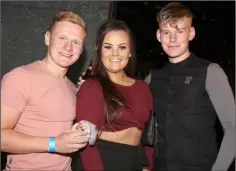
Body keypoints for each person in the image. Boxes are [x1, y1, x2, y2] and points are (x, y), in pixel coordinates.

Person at [145, 2, 235, 171]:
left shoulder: (210, 71)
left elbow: (232, 127)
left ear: (191, 33)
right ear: (158, 35)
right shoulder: (152, 77)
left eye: (179, 31)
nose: (172, 39)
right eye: (166, 32)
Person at [1, 11, 89, 170]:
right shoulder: (21, 77)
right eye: (62, 38)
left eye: (76, 42)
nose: (68, 47)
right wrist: (53, 144)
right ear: (48, 38)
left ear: (81, 50)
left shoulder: (72, 87)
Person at [75, 20, 154, 171]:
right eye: (108, 47)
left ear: (130, 51)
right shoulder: (91, 87)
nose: (115, 54)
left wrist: (147, 167)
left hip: (135, 162)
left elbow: (149, 136)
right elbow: (85, 144)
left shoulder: (143, 88)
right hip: (103, 160)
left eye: (122, 47)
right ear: (99, 50)